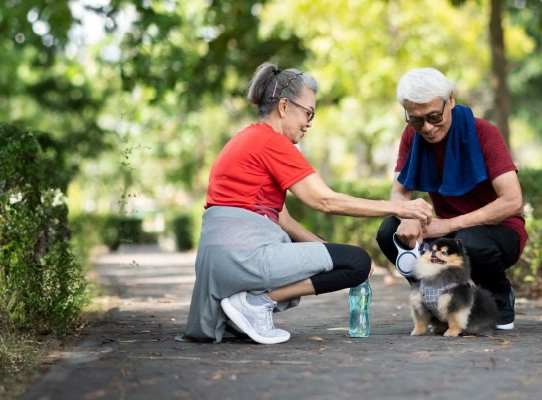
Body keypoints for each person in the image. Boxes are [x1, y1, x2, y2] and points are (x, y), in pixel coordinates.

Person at [180, 63, 433, 345]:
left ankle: (240, 312)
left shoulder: (248, 139)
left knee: (348, 261)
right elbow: (324, 200)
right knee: (358, 261)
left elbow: (283, 221)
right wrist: (400, 208)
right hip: (243, 257)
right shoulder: (272, 142)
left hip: (221, 261)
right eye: (308, 112)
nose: (310, 122)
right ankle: (256, 302)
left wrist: (333, 257)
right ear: (285, 106)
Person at [375, 68, 526, 330]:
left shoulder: (484, 133)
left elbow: (512, 201)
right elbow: (399, 193)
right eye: (416, 120)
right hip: (449, 233)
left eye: (434, 116)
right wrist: (407, 216)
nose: (428, 128)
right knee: (390, 230)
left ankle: (500, 297)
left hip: (498, 232)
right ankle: (433, 299)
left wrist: (448, 224)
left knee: (468, 242)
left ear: (451, 100)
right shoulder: (412, 136)